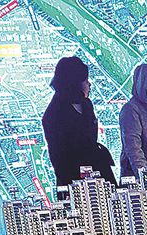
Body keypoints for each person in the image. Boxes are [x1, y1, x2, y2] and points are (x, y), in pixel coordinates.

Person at [41, 56, 116, 190]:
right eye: (85, 80)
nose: (89, 85)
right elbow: (59, 158)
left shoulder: (86, 104)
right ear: (74, 83)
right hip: (75, 183)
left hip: (98, 175)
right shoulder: (54, 114)